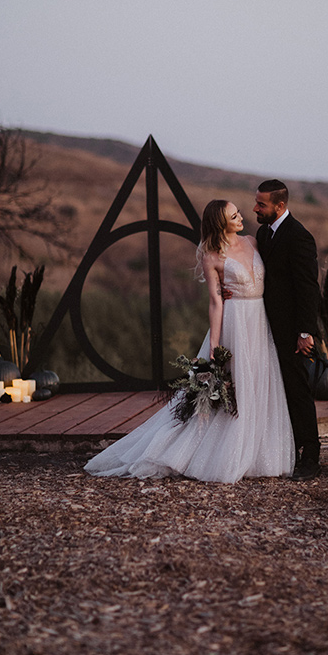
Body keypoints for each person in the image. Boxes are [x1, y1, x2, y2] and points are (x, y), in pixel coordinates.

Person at [84, 199, 295, 484]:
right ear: (221, 223)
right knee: (234, 387)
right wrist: (214, 349)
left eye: (238, 213)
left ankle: (259, 451)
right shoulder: (212, 255)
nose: (241, 217)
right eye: (234, 216)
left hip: (260, 320)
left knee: (259, 382)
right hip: (235, 322)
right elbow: (216, 301)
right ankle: (214, 452)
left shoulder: (252, 241)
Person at [254, 179, 321, 481]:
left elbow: (308, 288)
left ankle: (312, 457)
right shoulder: (262, 233)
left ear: (279, 206)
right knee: (276, 391)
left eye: (261, 204)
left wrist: (306, 332)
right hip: (265, 328)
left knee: (297, 391)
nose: (256, 208)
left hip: (293, 332)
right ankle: (287, 450)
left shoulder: (299, 237)